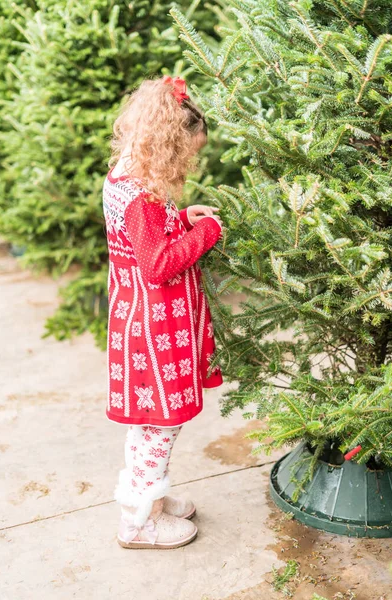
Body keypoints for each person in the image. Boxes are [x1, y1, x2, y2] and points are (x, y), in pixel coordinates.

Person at [102, 75, 224, 549]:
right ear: (168, 145)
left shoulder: (125, 176)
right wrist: (207, 231)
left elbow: (142, 241)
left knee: (150, 420)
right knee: (159, 422)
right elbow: (157, 264)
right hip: (155, 329)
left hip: (141, 320)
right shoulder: (144, 198)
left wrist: (182, 217)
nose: (188, 163)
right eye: (188, 153)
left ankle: (149, 496)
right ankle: (139, 522)